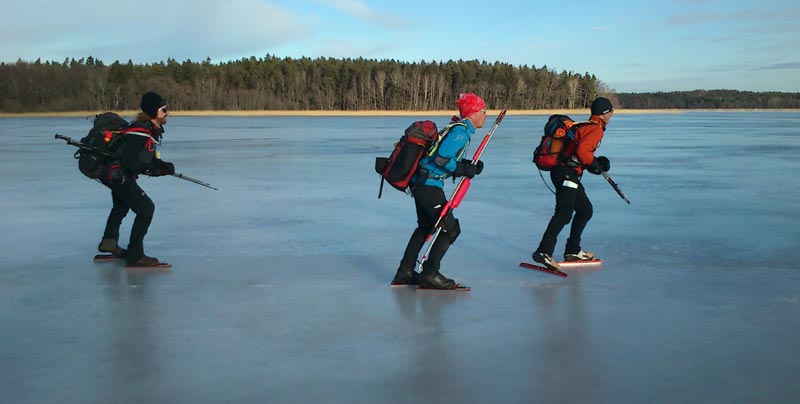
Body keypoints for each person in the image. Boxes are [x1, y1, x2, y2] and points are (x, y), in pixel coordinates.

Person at [392, 93, 488, 290]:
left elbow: (443, 156)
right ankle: (430, 273)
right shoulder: (460, 132)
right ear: (473, 113)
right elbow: (441, 158)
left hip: (422, 183)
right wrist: (462, 169)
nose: (486, 115)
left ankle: (405, 272)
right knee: (450, 228)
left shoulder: (458, 129)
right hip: (428, 186)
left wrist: (467, 166)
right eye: (483, 111)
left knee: (426, 227)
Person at [531, 97, 614, 271]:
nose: (612, 115)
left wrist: (597, 161)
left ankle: (573, 250)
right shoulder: (595, 129)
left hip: (566, 173)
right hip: (565, 174)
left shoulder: (585, 126)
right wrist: (594, 166)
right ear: (604, 113)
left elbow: (579, 151)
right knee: (564, 213)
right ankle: (543, 251)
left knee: (585, 210)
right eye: (610, 112)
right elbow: (583, 153)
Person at [97, 91, 175, 267]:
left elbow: (146, 159)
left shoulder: (148, 130)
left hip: (117, 175)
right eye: (164, 109)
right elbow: (129, 161)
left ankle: (108, 242)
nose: (167, 112)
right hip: (118, 176)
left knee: (121, 206)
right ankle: (135, 255)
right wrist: (151, 170)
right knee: (146, 209)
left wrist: (163, 166)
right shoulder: (140, 131)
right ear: (153, 112)